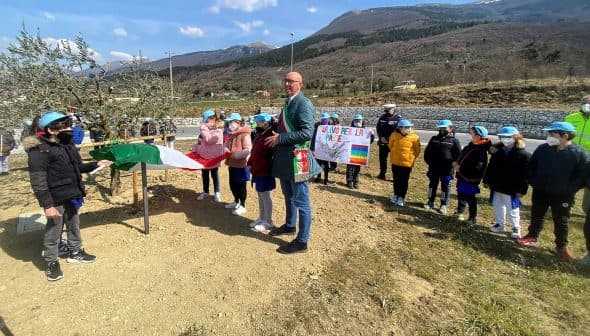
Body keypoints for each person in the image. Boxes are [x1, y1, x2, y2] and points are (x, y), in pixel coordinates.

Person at [24, 111, 112, 281]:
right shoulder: (39, 150)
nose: (70, 128)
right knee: (54, 229)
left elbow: (77, 167)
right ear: (51, 129)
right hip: (55, 197)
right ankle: (51, 261)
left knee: (74, 224)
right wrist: (47, 205)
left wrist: (96, 164)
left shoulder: (67, 144)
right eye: (65, 126)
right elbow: (38, 181)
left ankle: (75, 251)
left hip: (72, 192)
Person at [265, 71, 321, 254]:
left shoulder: (304, 103)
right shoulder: (288, 103)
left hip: (299, 158)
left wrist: (280, 138)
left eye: (291, 81)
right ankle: (290, 225)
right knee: (288, 195)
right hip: (285, 159)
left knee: (302, 200)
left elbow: (306, 133)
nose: (287, 84)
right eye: (286, 81)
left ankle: (302, 241)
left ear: (300, 84)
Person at [516, 122, 588, 262]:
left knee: (561, 220)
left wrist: (569, 189)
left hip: (563, 195)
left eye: (552, 134)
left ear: (564, 136)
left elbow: (582, 176)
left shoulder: (578, 153)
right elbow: (531, 166)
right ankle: (532, 235)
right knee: (537, 214)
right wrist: (534, 181)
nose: (548, 136)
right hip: (541, 190)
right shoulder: (543, 149)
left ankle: (561, 247)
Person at [483, 126, 531, 239]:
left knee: (512, 208)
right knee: (497, 205)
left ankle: (515, 227)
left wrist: (522, 190)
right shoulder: (498, 151)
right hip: (497, 185)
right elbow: (491, 167)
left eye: (508, 137)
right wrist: (487, 180)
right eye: (502, 137)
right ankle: (500, 224)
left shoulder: (524, 155)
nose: (505, 139)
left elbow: (526, 175)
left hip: (511, 187)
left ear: (516, 138)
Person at [453, 126, 491, 225]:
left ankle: (472, 217)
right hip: (462, 176)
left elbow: (477, 167)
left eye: (472, 134)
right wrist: (457, 164)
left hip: (470, 178)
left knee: (470, 197)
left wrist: (460, 168)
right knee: (461, 194)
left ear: (478, 136)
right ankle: (460, 212)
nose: (470, 136)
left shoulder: (481, 150)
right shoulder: (472, 146)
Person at [423, 120, 461, 214]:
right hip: (433, 168)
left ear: (450, 128)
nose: (442, 129)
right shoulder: (434, 138)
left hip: (447, 170)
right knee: (432, 185)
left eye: (444, 128)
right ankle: (430, 201)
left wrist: (454, 164)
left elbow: (458, 155)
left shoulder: (454, 141)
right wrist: (428, 161)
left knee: (446, 187)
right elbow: (427, 151)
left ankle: (443, 205)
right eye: (440, 128)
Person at [247, 113, 276, 232]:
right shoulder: (261, 134)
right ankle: (262, 217)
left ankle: (268, 221)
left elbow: (267, 156)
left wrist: (258, 166)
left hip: (264, 171)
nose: (256, 125)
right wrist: (250, 162)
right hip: (257, 170)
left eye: (258, 123)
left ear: (265, 123)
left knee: (265, 195)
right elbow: (255, 151)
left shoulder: (269, 135)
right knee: (260, 194)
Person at [224, 112, 252, 216]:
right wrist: (226, 149)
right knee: (233, 184)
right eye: (229, 122)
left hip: (241, 165)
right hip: (232, 164)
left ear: (238, 122)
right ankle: (236, 201)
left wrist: (236, 155)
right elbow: (225, 144)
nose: (230, 124)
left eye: (232, 122)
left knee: (241, 185)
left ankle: (243, 205)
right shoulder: (231, 134)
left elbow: (248, 149)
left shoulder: (245, 135)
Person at [388, 119, 421, 206]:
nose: (404, 129)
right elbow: (390, 145)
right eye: (402, 128)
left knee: (404, 181)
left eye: (407, 127)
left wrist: (410, 157)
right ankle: (395, 195)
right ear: (399, 128)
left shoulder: (415, 137)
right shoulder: (394, 135)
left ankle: (401, 197)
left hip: (407, 164)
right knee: (396, 180)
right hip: (395, 162)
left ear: (410, 127)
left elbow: (417, 150)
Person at [195, 110, 224, 203]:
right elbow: (200, 142)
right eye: (205, 121)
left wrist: (203, 129)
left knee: (214, 175)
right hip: (203, 157)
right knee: (204, 175)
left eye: (207, 121)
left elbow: (209, 140)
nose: (206, 123)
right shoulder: (204, 130)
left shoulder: (218, 130)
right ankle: (206, 191)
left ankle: (217, 192)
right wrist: (196, 149)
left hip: (213, 157)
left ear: (213, 119)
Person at [346, 113, 374, 189]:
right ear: (354, 121)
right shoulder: (350, 130)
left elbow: (370, 141)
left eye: (359, 120)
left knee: (357, 168)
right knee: (350, 168)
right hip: (350, 151)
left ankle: (356, 182)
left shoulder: (365, 131)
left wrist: (372, 135)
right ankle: (349, 182)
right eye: (356, 120)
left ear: (362, 121)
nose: (358, 122)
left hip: (360, 152)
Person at [376, 103, 402, 180]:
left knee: (395, 160)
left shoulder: (398, 119)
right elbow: (378, 128)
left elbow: (399, 132)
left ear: (393, 109)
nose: (386, 112)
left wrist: (388, 138)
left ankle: (395, 176)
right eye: (385, 110)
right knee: (382, 159)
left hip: (394, 143)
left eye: (388, 110)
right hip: (383, 142)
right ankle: (382, 174)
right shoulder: (382, 117)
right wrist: (381, 137)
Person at [311, 113, 331, 184]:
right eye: (324, 119)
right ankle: (318, 177)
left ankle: (326, 179)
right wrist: (312, 148)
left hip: (327, 149)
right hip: (318, 148)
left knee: (326, 164)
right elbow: (313, 137)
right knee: (318, 163)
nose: (325, 120)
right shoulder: (317, 126)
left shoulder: (331, 127)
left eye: (326, 119)